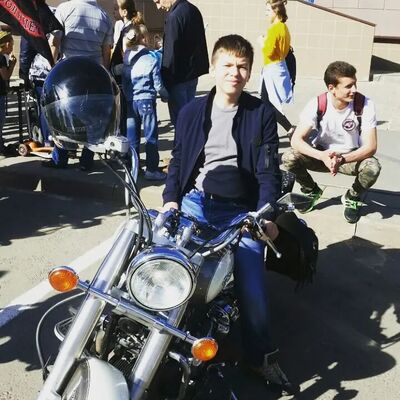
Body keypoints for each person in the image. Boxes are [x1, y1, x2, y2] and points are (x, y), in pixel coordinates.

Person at [162, 34, 298, 396]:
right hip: (195, 204)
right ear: (213, 67)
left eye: (242, 66)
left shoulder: (260, 113)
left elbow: (268, 172)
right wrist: (171, 200)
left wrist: (265, 215)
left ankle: (260, 356)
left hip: (241, 214)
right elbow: (178, 161)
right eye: (227, 65)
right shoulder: (191, 111)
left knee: (252, 288)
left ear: (250, 72)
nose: (234, 73)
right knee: (160, 263)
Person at [282, 61, 381, 223]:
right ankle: (311, 190)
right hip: (322, 155)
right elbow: (296, 140)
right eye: (348, 86)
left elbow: (371, 147)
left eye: (355, 84)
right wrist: (321, 156)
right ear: (331, 88)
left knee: (372, 167)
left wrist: (341, 159)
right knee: (289, 157)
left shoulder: (365, 104)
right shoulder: (317, 104)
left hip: (350, 157)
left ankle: (352, 197)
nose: (354, 90)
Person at [43, 0, 113, 171]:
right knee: (92, 119)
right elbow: (106, 51)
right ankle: (86, 160)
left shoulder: (65, 9)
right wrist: (105, 74)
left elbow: (55, 42)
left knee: (62, 116)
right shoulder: (104, 15)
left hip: (69, 74)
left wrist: (51, 69)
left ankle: (60, 158)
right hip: (93, 74)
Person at [152, 0, 209, 126]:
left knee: (181, 121)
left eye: (158, 1)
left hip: (177, 78)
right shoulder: (193, 10)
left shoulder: (174, 16)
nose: (158, 7)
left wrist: (165, 82)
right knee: (189, 118)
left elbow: (170, 53)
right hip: (192, 74)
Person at [122, 24, 167, 180]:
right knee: (150, 136)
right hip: (146, 100)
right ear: (144, 39)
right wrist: (165, 95)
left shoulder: (126, 59)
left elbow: (124, 83)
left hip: (130, 101)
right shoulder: (151, 59)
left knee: (132, 137)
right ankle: (152, 169)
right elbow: (158, 84)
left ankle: (133, 168)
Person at [259, 0, 295, 136]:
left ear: (276, 11)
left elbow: (269, 51)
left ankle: (288, 128)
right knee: (266, 100)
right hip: (279, 66)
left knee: (267, 101)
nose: (266, 13)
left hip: (272, 67)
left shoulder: (274, 29)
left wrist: (262, 42)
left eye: (268, 10)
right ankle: (268, 129)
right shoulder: (284, 27)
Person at [0, 31, 16, 159]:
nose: (12, 47)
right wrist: (12, 65)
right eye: (12, 44)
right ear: (6, 44)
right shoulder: (1, 58)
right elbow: (5, 76)